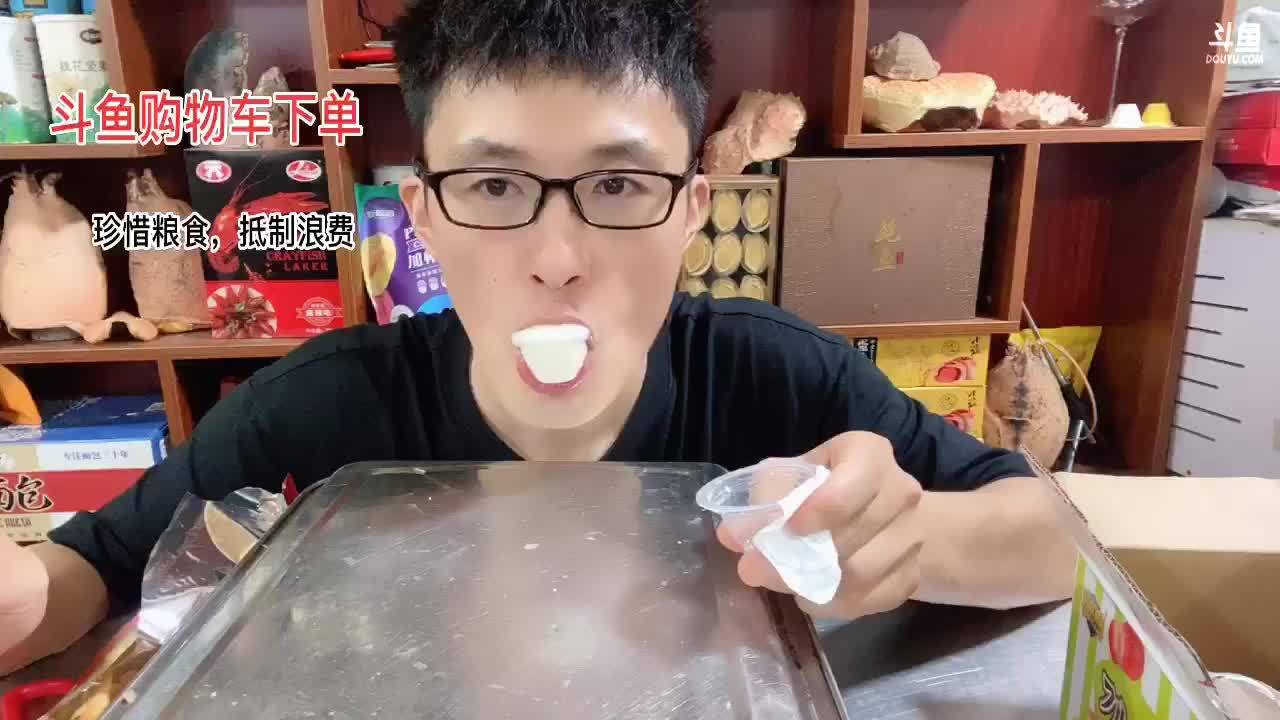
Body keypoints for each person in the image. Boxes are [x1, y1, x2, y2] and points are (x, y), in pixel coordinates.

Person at [0, 0, 1077, 677]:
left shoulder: (773, 371)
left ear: (692, 212)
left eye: (617, 185)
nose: (557, 258)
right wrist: (25, 599)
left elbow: (1054, 539)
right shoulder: (324, 403)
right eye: (493, 185)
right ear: (422, 218)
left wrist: (909, 539)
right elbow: (90, 572)